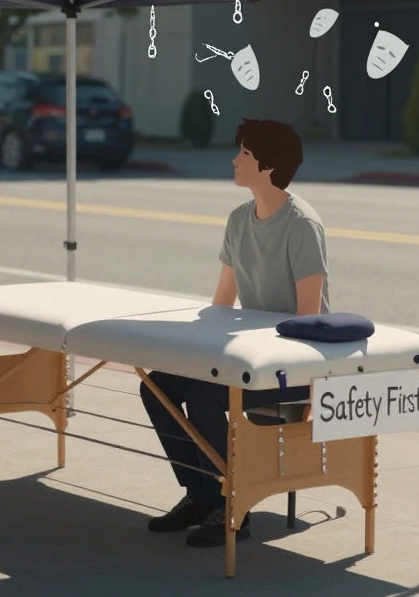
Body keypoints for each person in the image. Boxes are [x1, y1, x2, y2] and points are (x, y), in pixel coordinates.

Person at [139, 118, 330, 548]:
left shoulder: (302, 225)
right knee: (156, 386)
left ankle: (231, 506)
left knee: (205, 393)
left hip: (289, 368)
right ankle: (201, 494)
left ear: (268, 165)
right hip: (246, 357)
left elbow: (307, 316)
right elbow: (223, 300)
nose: (234, 159)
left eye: (243, 153)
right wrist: (192, 347)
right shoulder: (238, 219)